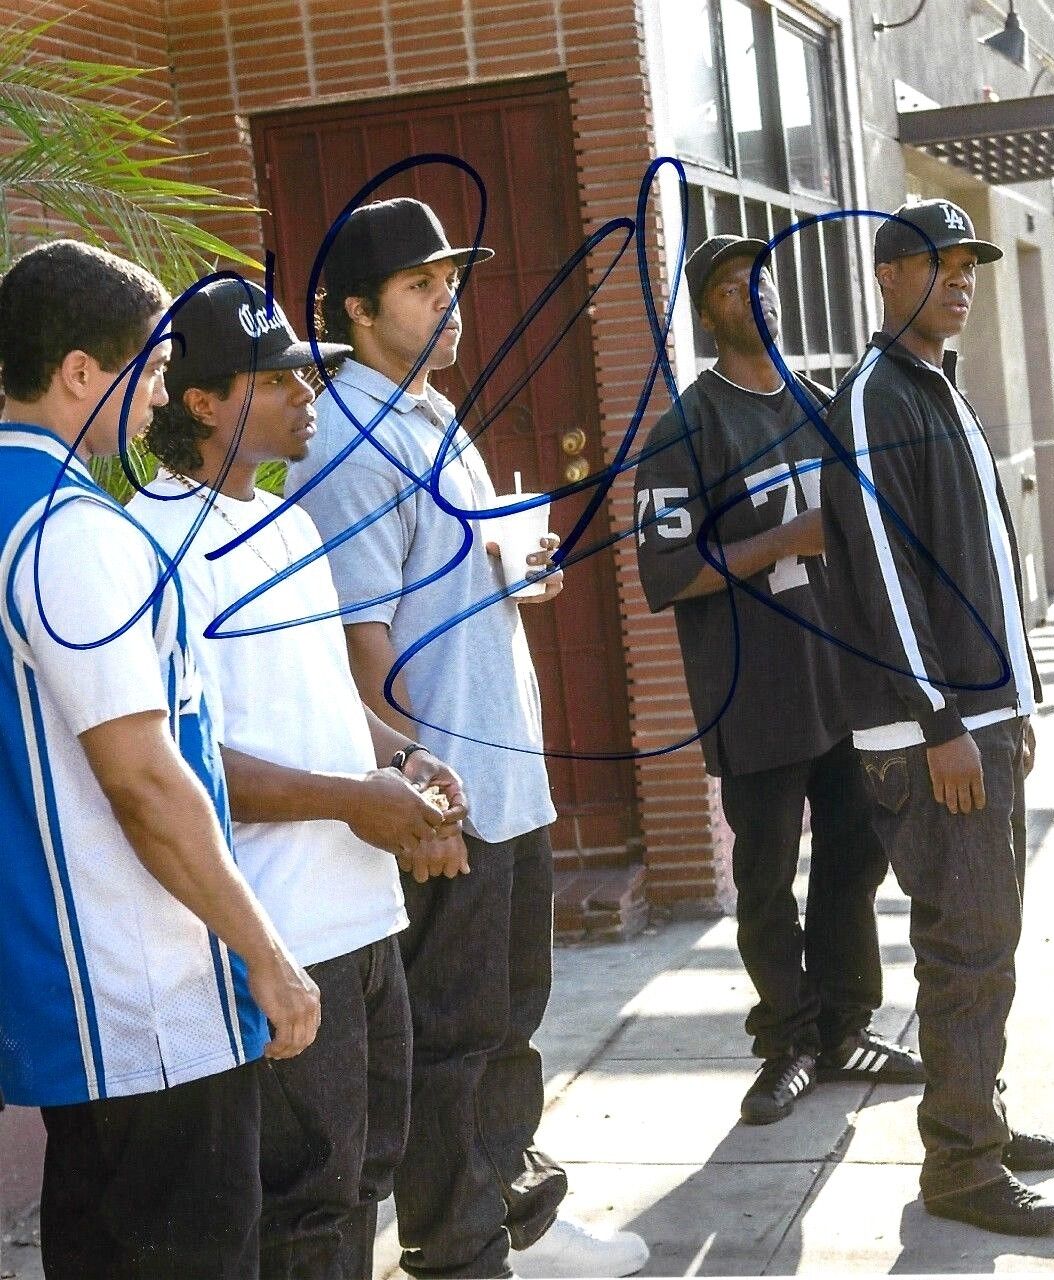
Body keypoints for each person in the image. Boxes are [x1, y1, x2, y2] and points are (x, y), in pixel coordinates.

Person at [288, 197, 648, 1280]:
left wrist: (509, 570)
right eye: (418, 287)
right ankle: (460, 1249)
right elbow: (355, 643)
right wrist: (408, 783)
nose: (447, 304)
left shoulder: (431, 416)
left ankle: (512, 1217)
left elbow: (429, 590)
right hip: (447, 784)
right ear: (357, 309)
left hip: (502, 766)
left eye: (452, 283)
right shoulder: (349, 442)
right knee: (451, 1035)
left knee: (507, 1018)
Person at [129, 275, 473, 1278]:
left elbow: (327, 704)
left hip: (364, 914)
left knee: (367, 1173)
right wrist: (353, 800)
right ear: (202, 401)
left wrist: (400, 758)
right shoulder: (155, 545)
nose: (305, 391)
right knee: (304, 1205)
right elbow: (180, 765)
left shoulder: (285, 524)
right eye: (276, 378)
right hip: (278, 933)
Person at [0, 240, 320, 1278]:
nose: (155, 401)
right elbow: (140, 776)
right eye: (145, 371)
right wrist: (266, 954)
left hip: (63, 1001)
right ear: (80, 373)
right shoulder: (69, 529)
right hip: (144, 1007)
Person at [820, 199, 1054, 1237]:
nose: (962, 279)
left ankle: (976, 1111)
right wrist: (940, 723)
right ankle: (963, 1169)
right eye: (939, 264)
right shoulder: (874, 396)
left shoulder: (937, 386)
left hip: (974, 717)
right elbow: (883, 576)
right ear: (889, 276)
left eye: (970, 265)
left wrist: (1011, 702)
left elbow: (974, 567)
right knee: (964, 943)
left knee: (985, 937)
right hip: (926, 734)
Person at [635, 234, 924, 1126]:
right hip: (753, 691)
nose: (752, 296)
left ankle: (844, 1027)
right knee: (766, 880)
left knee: (853, 863)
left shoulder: (824, 404)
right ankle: (788, 1040)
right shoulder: (686, 428)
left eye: (761, 281)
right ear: (707, 307)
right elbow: (667, 575)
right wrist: (783, 542)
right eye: (730, 286)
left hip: (842, 682)